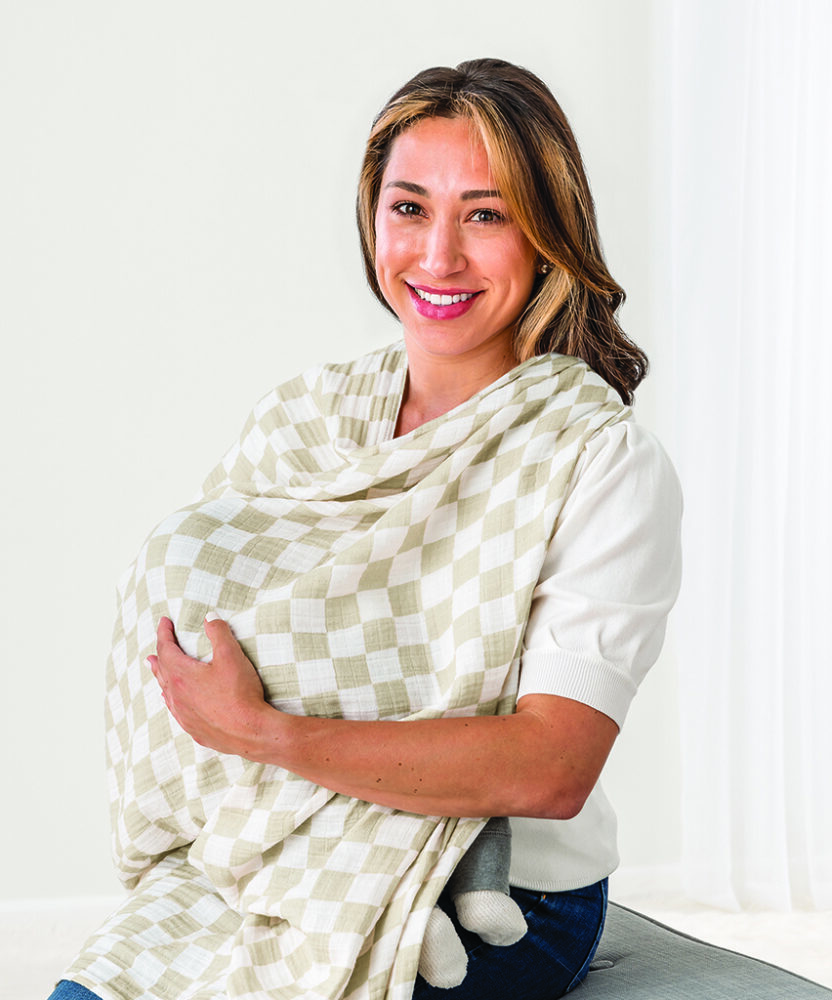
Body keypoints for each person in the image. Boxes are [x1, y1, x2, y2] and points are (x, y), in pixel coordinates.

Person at [50, 58, 682, 1000]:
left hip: (506, 889)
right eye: (410, 208)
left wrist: (268, 733)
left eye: (487, 213)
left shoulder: (597, 460)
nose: (437, 258)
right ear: (371, 218)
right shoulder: (306, 420)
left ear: (549, 233)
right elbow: (214, 622)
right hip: (275, 848)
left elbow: (552, 765)